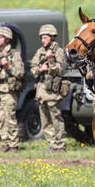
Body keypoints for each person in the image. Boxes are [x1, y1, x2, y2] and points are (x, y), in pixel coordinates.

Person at [30, 24, 66, 153]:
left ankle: (60, 145)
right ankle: (52, 144)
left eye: (45, 37)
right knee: (45, 120)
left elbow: (61, 69)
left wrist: (50, 62)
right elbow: (33, 67)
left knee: (56, 119)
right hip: (41, 92)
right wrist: (40, 69)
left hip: (52, 92)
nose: (43, 40)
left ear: (52, 37)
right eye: (42, 38)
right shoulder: (40, 52)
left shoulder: (59, 51)